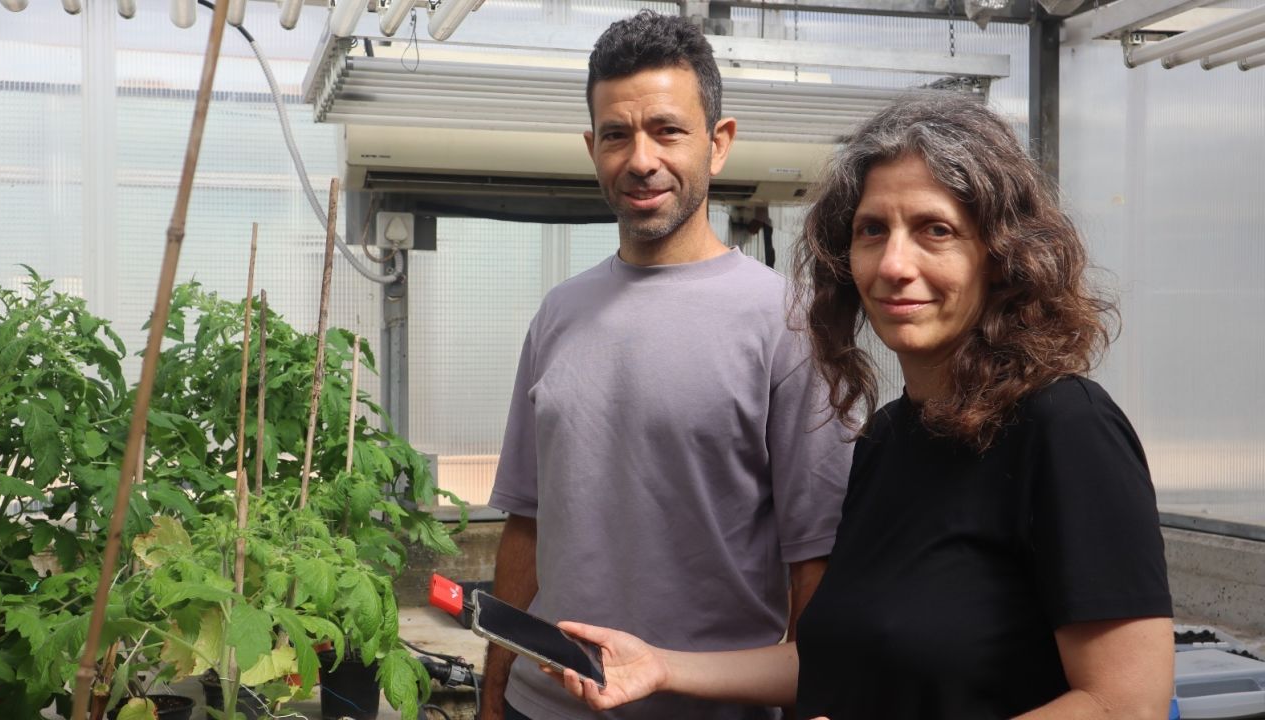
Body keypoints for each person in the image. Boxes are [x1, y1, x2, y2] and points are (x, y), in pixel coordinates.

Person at [548, 95, 1175, 719]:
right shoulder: (887, 437)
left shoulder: (1065, 427)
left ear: (1003, 255)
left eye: (936, 230)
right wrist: (663, 665)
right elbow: (837, 659)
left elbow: (1126, 703)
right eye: (873, 230)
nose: (895, 265)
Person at [481, 10, 853, 720]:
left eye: (667, 130)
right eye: (617, 135)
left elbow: (818, 561)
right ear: (593, 148)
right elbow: (527, 522)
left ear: (718, 144)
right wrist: (495, 687)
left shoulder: (789, 326)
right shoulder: (559, 314)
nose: (640, 158)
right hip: (543, 705)